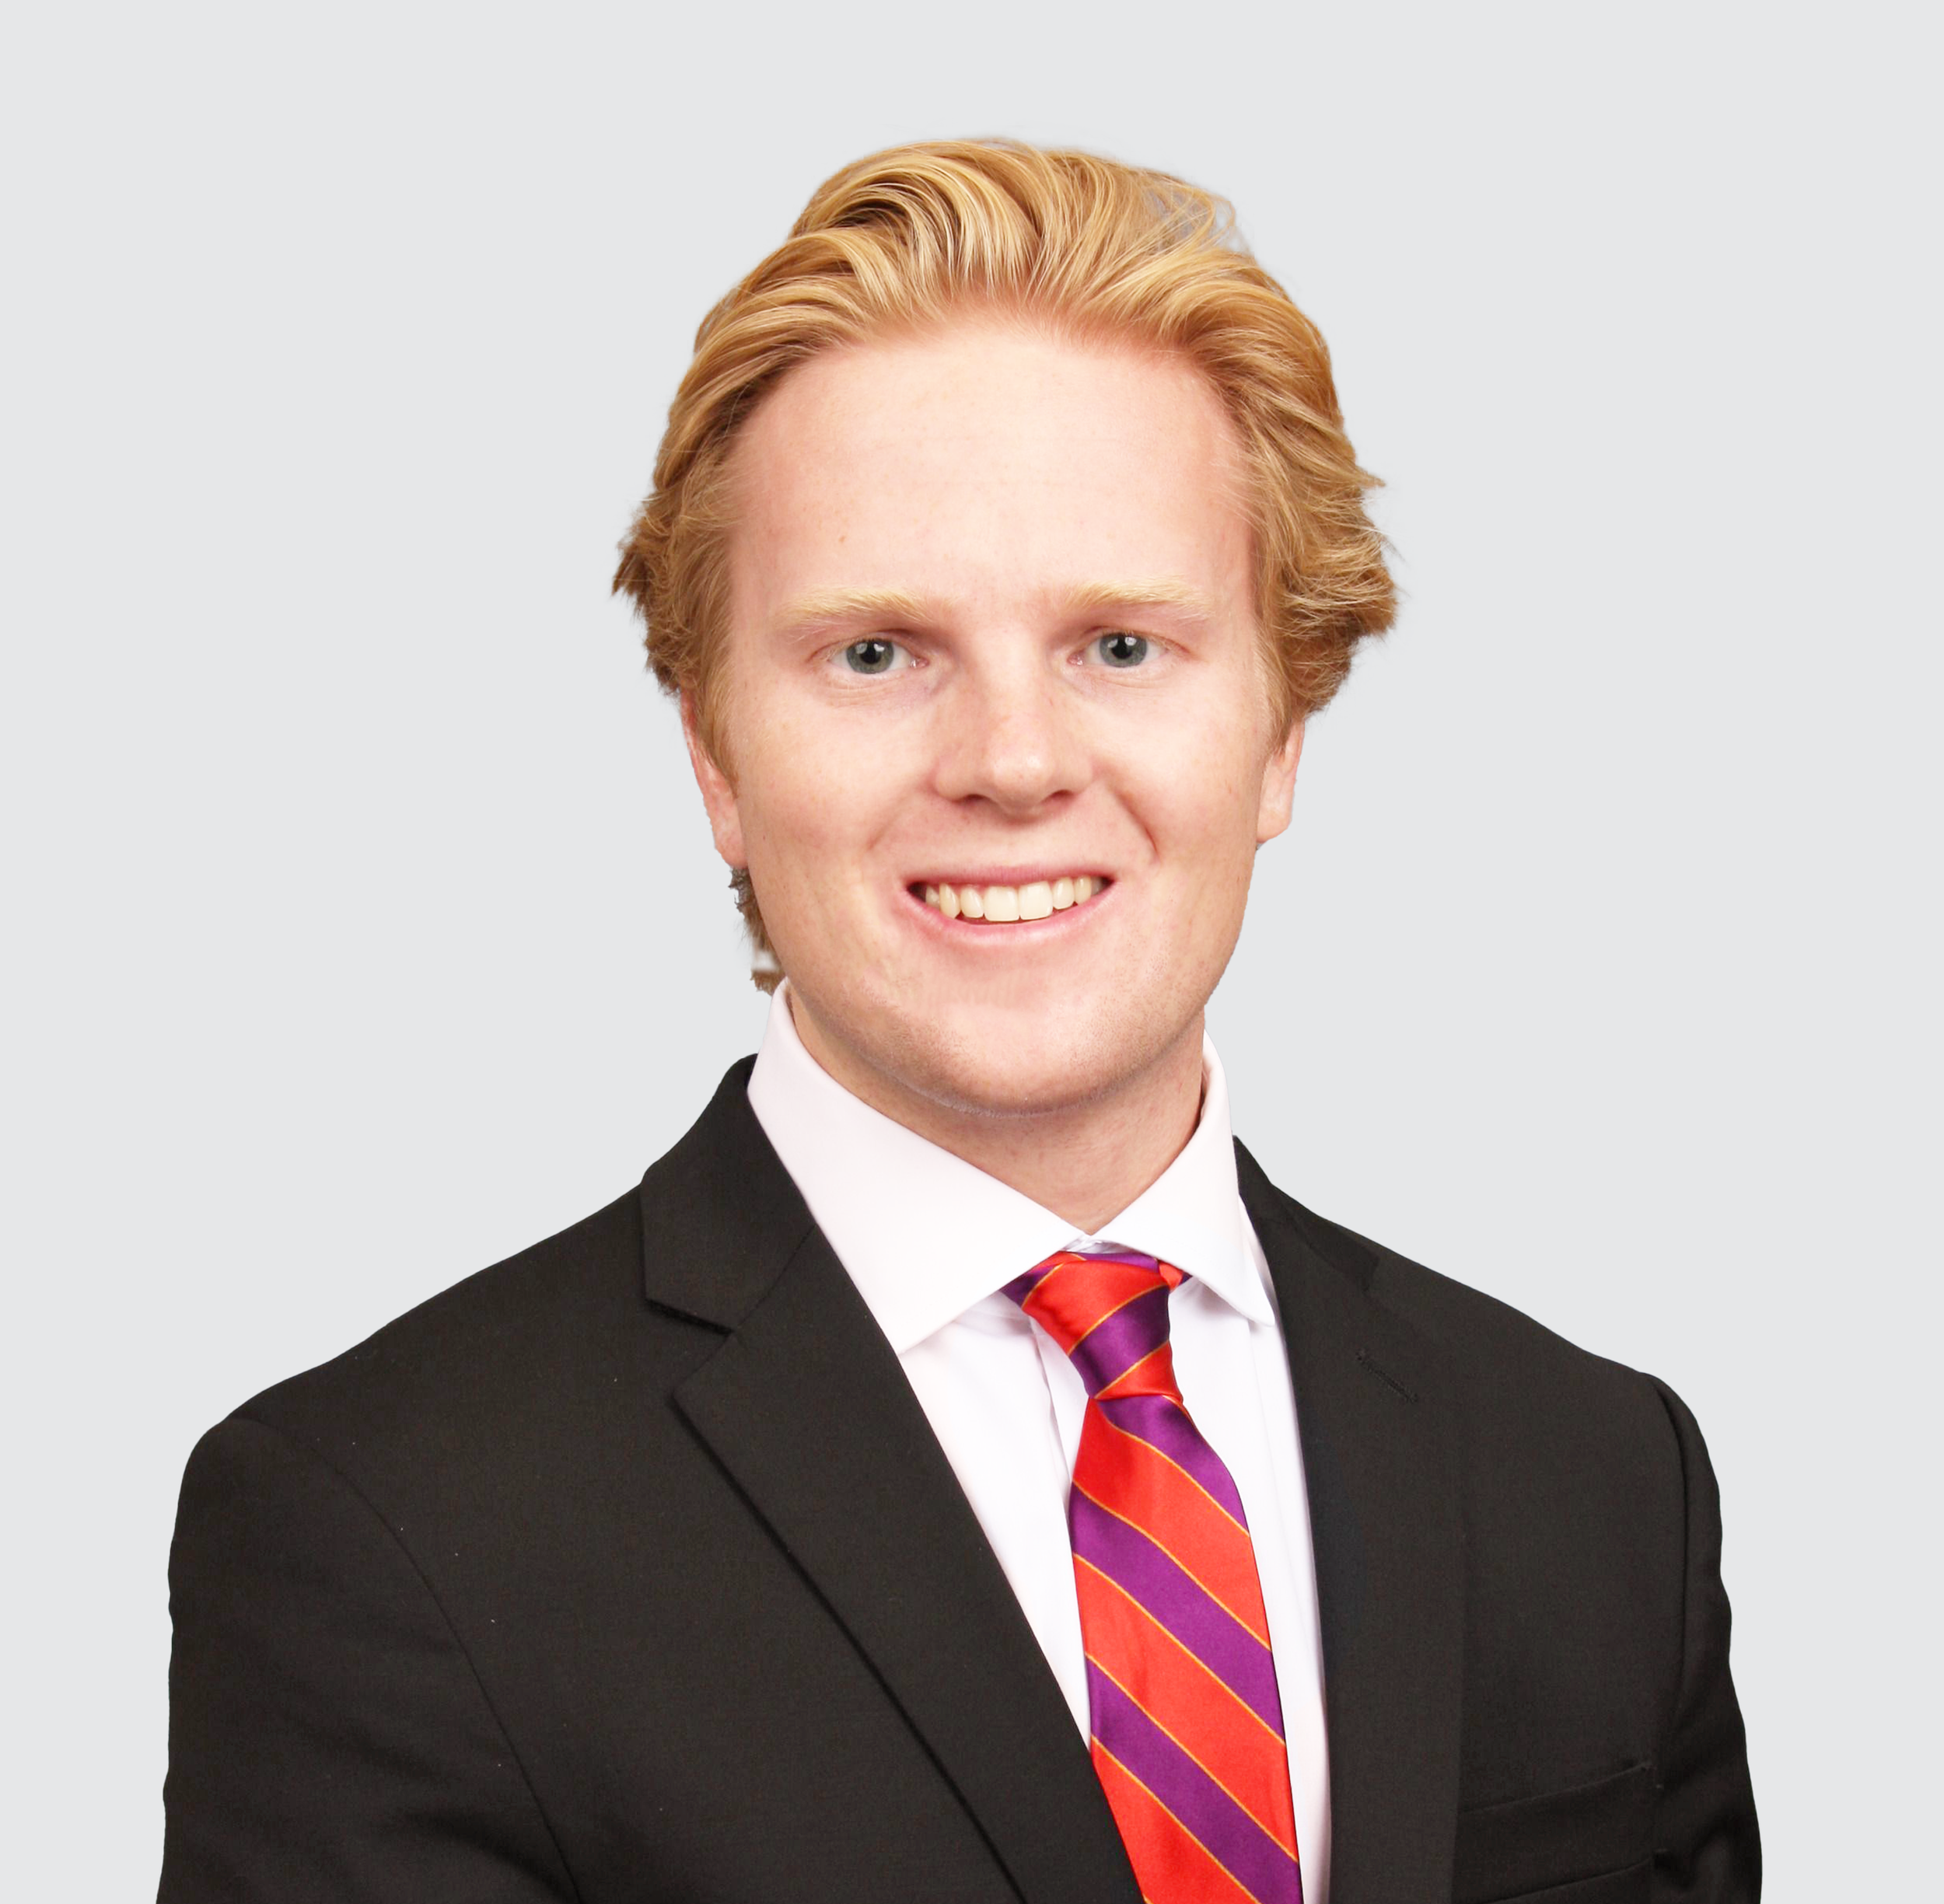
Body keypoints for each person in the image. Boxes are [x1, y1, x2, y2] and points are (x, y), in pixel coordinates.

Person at [157, 140, 1760, 1904]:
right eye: (875, 653)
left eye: (1120, 647)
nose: (1010, 762)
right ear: (712, 756)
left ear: (1283, 727)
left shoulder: (1596, 1482)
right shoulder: (383, 1531)